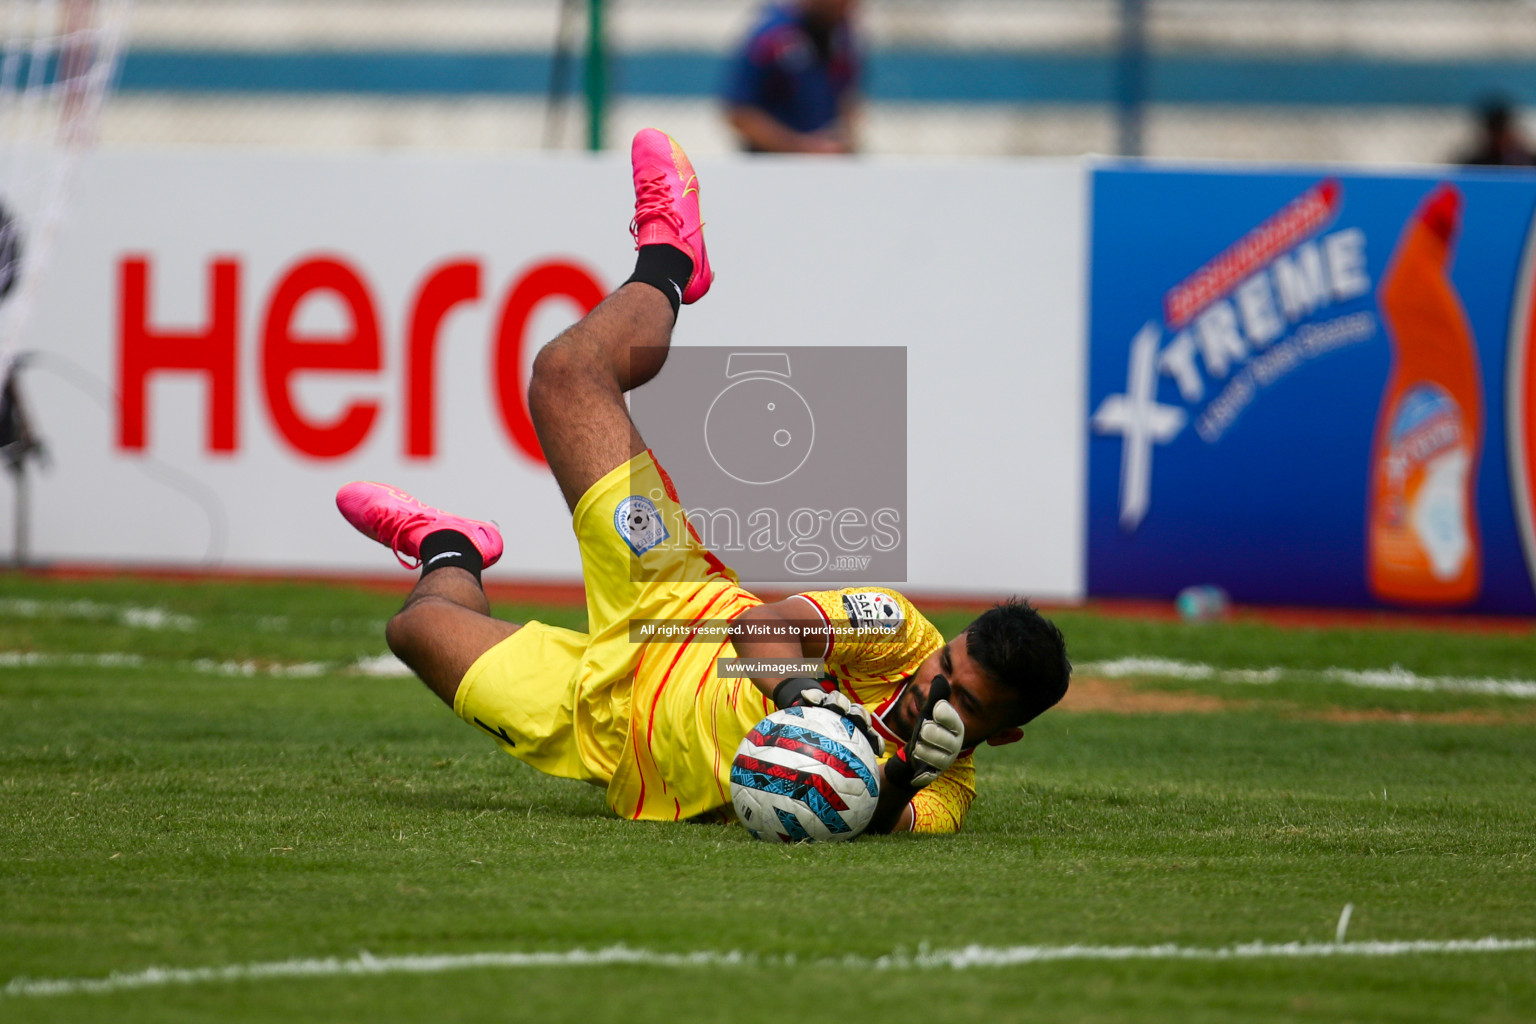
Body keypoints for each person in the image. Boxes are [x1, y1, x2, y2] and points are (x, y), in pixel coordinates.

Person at [336, 129, 1070, 835]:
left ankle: (448, 544)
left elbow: (887, 825)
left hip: (607, 732)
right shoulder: (895, 634)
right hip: (672, 595)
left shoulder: (945, 794)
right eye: (948, 665)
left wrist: (902, 774)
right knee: (564, 374)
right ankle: (669, 260)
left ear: (1000, 737)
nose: (932, 687)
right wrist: (803, 700)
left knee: (416, 629)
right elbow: (761, 627)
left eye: (965, 702)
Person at [723, 0, 861, 154]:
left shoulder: (841, 35)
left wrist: (847, 144)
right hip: (771, 166)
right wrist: (802, 148)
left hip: (823, 164)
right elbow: (740, 114)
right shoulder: (771, 36)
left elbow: (845, 96)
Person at [1456, 96, 1536, 168]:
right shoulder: (1475, 165)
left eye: (1504, 132)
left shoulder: (1529, 161)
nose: (1502, 139)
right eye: (1497, 134)